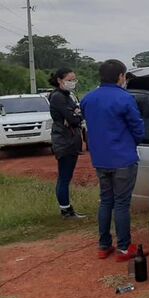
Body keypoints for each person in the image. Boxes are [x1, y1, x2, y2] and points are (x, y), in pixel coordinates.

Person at [81, 59, 146, 261]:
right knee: (121, 204)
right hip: (123, 158)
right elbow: (138, 128)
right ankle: (124, 248)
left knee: (106, 201)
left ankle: (104, 245)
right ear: (120, 76)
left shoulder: (88, 99)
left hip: (100, 158)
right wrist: (131, 142)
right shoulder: (124, 98)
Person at [48, 68, 87, 219]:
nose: (73, 83)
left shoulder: (67, 95)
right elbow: (74, 119)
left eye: (74, 80)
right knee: (64, 177)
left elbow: (77, 115)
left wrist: (76, 115)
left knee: (66, 176)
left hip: (69, 140)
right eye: (70, 80)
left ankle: (67, 208)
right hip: (65, 142)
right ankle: (66, 210)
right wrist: (75, 116)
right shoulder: (58, 97)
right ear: (60, 80)